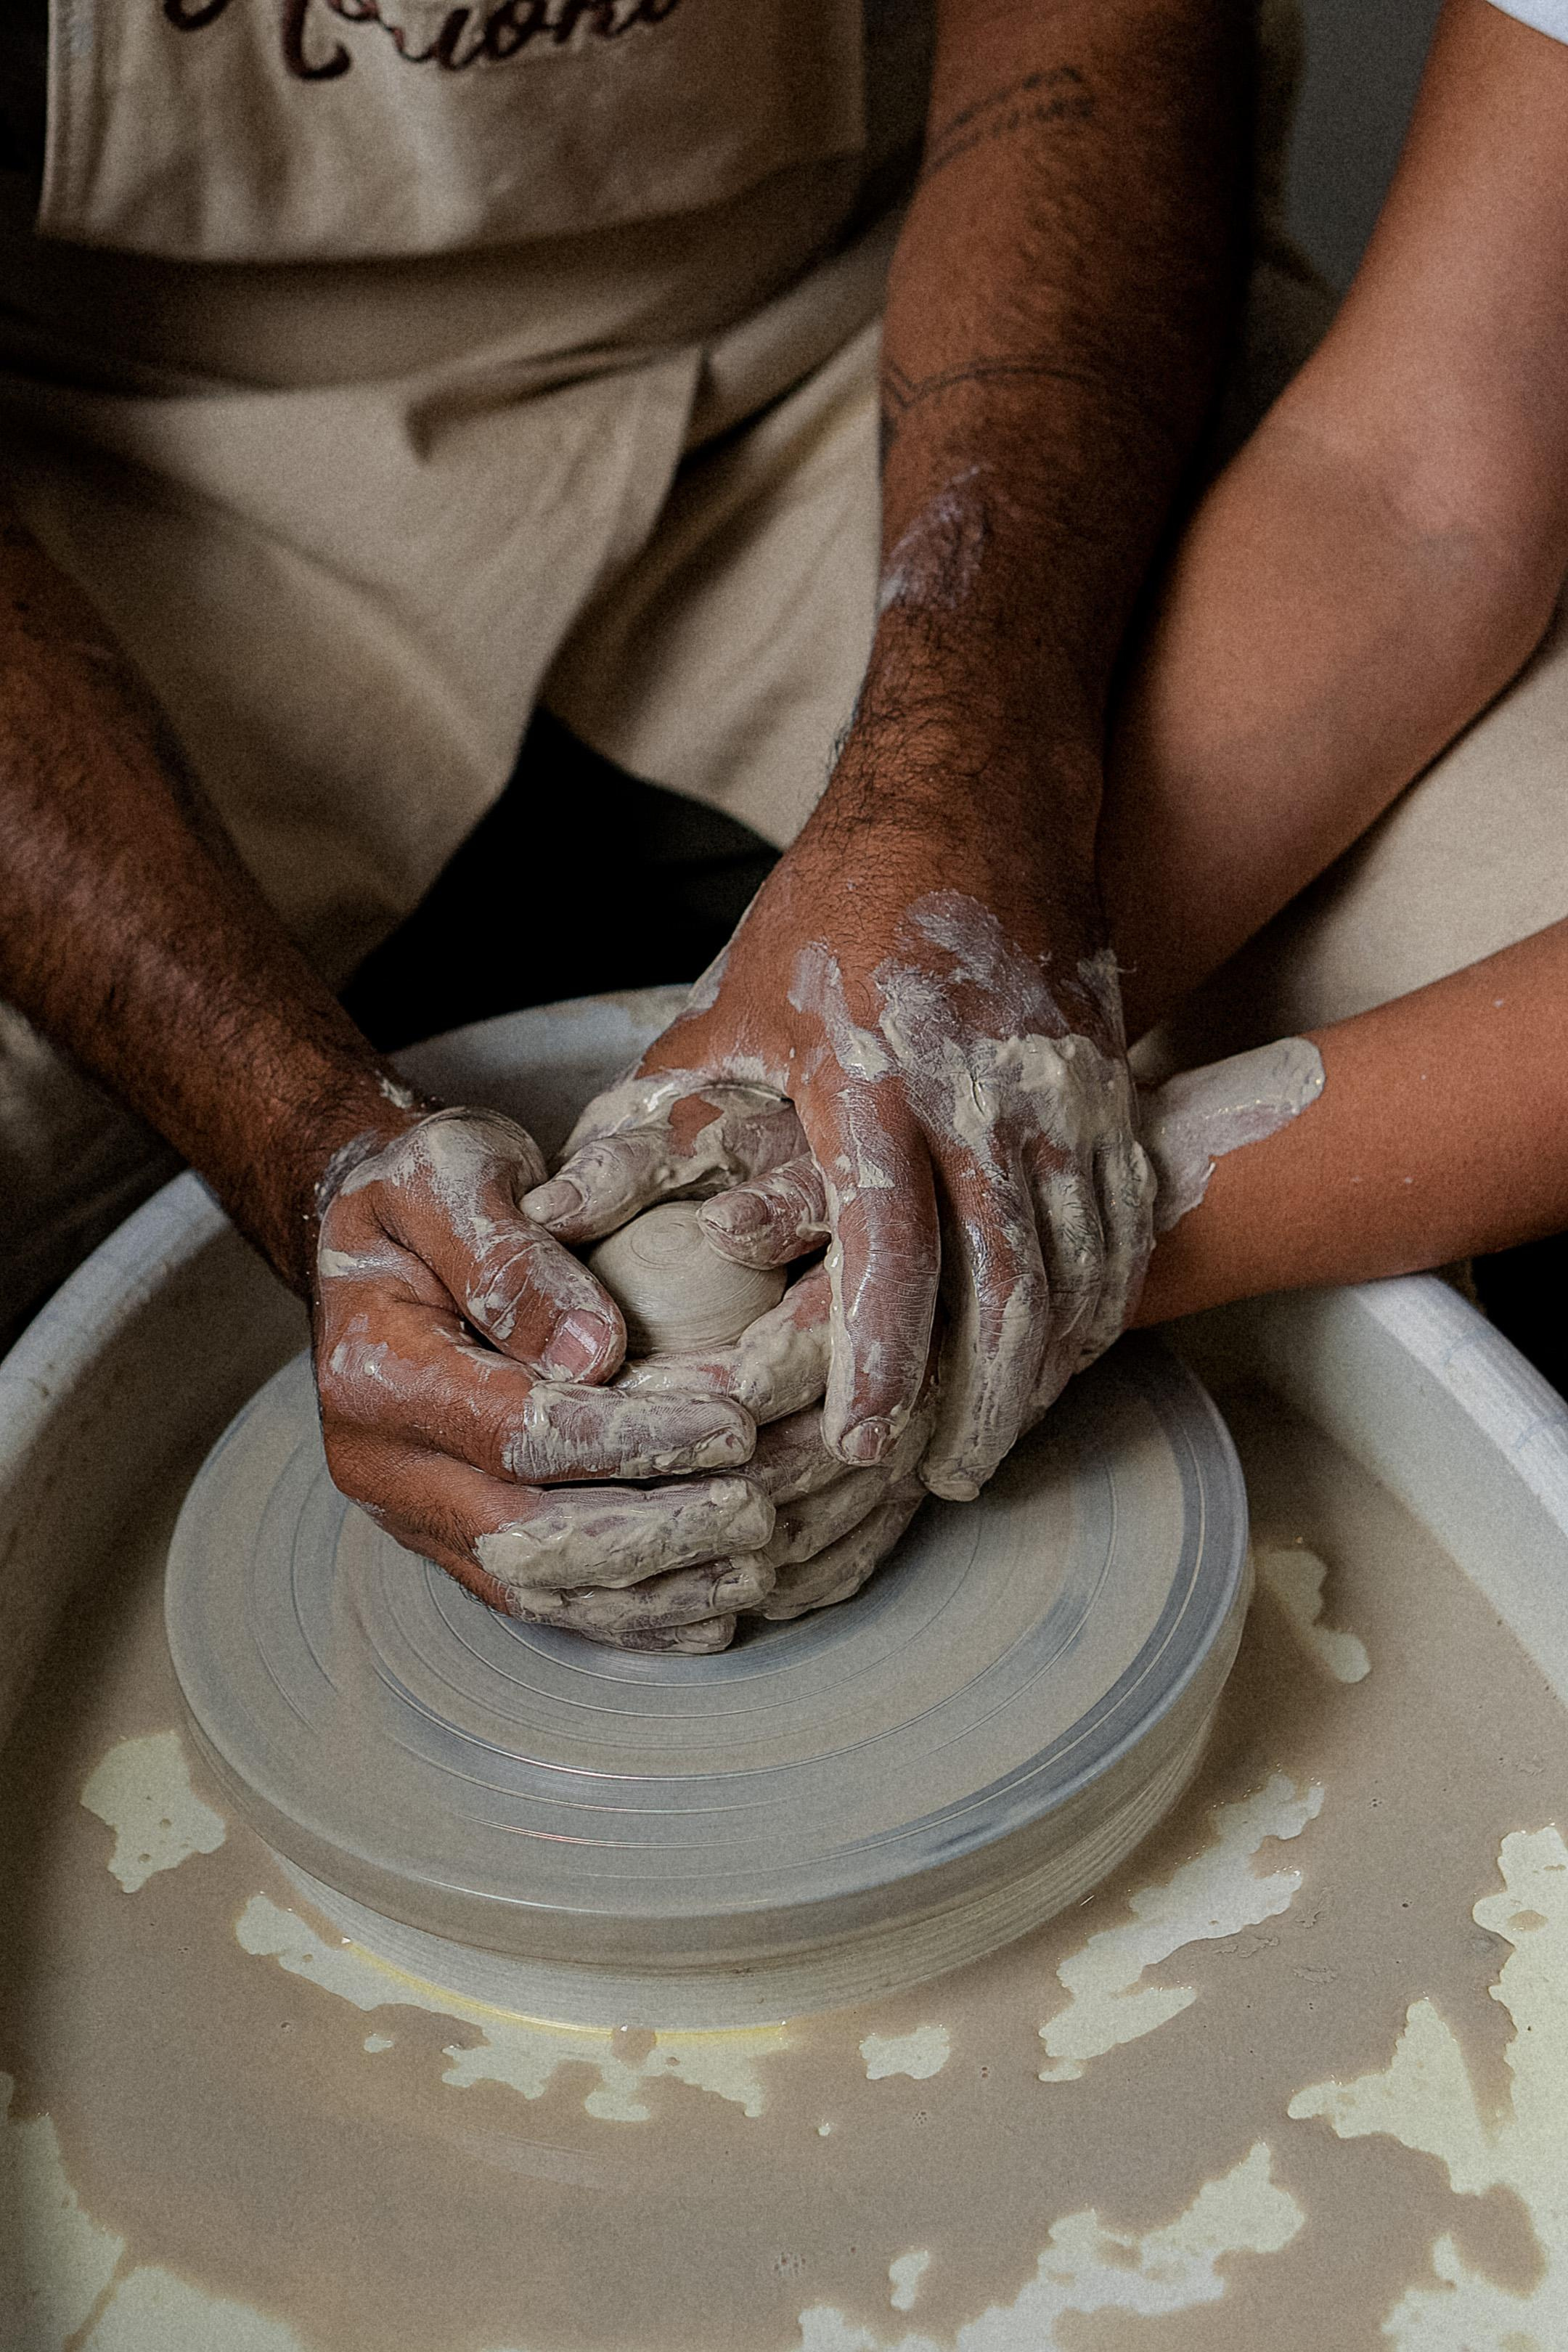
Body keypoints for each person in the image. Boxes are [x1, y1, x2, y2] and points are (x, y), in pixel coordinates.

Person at [0, 0, 1564, 1649]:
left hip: (891, 310)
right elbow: (1423, 479)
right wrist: (917, 1037)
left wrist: (1069, 1231)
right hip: (130, 442)